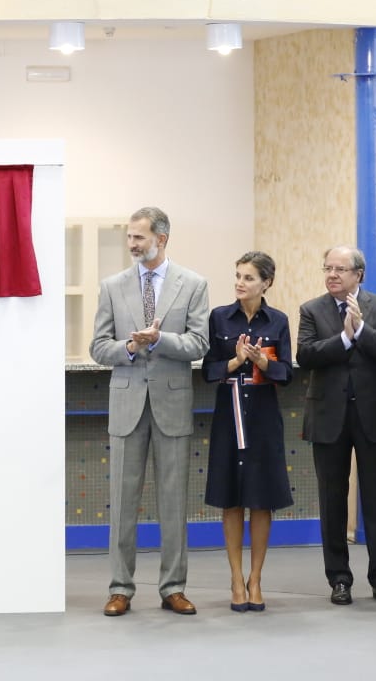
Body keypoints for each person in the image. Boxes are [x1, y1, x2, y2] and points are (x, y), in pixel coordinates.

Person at [89, 207, 209, 617]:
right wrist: (129, 347)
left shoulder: (193, 284)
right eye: (129, 237)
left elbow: (198, 345)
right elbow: (98, 346)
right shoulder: (111, 286)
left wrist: (159, 342)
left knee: (174, 502)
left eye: (139, 238)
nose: (132, 245)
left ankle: (173, 587)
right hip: (126, 404)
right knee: (122, 501)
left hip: (172, 405)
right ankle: (120, 588)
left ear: (162, 239)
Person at [298, 245, 376, 605]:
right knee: (332, 499)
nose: (332, 275)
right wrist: (344, 339)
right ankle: (339, 579)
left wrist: (360, 331)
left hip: (375, 415)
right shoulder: (312, 309)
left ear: (358, 274)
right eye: (327, 268)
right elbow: (306, 354)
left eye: (340, 269)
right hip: (329, 416)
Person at [201, 251, 292, 613]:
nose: (240, 283)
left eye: (249, 277)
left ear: (266, 282)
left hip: (264, 418)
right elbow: (208, 370)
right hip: (229, 417)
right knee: (232, 498)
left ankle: (256, 578)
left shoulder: (279, 320)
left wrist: (261, 361)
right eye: (237, 276)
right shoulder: (219, 317)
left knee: (261, 498)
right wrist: (236, 361)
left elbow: (286, 374)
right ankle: (236, 578)